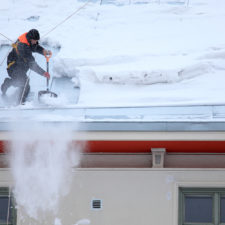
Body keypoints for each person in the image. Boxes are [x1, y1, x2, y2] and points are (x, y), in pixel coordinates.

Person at [1, 29, 51, 103]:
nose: (36, 42)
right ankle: (20, 102)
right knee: (24, 83)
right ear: (30, 39)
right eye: (35, 40)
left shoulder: (28, 40)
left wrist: (43, 51)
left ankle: (11, 83)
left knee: (24, 84)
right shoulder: (23, 46)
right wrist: (43, 73)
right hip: (13, 67)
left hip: (20, 64)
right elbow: (32, 64)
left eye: (37, 40)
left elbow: (34, 46)